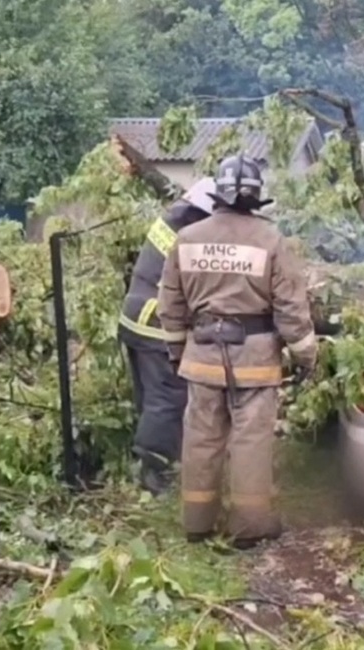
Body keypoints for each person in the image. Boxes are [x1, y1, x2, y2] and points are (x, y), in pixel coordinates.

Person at [156, 154, 318, 550]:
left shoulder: (188, 238)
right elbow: (291, 310)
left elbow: (170, 305)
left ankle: (197, 523)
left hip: (203, 356)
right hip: (256, 361)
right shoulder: (271, 241)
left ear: (219, 194)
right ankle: (249, 527)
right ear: (256, 197)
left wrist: (178, 352)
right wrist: (305, 357)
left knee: (201, 439)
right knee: (250, 441)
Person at [118, 177, 217, 496]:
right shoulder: (191, 233)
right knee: (169, 398)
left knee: (150, 399)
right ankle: (155, 477)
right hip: (154, 322)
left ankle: (149, 465)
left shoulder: (174, 219)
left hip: (134, 315)